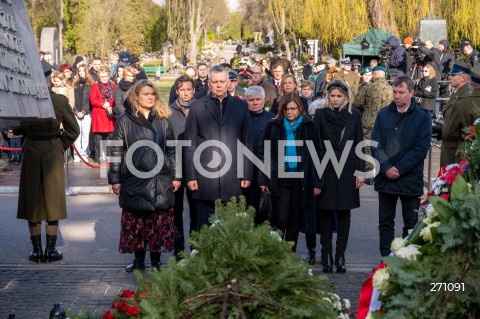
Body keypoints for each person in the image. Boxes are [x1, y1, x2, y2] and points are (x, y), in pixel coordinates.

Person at [109, 80, 180, 272]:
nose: (150, 97)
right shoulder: (125, 120)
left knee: (157, 222)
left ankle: (156, 263)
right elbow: (115, 150)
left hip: (160, 178)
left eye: (153, 94)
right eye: (146, 94)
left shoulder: (163, 119)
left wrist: (177, 176)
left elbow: (173, 150)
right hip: (134, 178)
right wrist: (114, 179)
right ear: (136, 97)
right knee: (137, 222)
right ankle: (138, 261)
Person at [14, 60, 79, 263]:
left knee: (32, 198)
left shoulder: (25, 101)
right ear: (50, 78)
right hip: (52, 149)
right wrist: (60, 145)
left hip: (32, 149)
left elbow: (17, 128)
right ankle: (50, 251)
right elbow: (73, 130)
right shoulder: (59, 101)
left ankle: (36, 250)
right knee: (53, 199)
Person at [183, 65, 253, 230]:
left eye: (222, 81)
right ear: (209, 83)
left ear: (229, 82)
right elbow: (190, 144)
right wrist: (191, 176)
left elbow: (247, 142)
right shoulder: (197, 107)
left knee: (231, 230)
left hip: (233, 176)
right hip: (204, 176)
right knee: (203, 228)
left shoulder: (241, 107)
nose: (219, 85)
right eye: (215, 82)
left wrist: (246, 173)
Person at [371, 76, 431, 257]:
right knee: (385, 222)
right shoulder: (383, 114)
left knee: (411, 223)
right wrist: (386, 167)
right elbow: (375, 143)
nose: (397, 96)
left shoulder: (422, 116)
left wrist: (399, 169)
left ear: (411, 93)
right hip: (386, 177)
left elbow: (421, 148)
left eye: (401, 92)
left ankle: (407, 260)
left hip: (409, 178)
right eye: (394, 92)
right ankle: (385, 259)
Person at [310, 80, 365, 272]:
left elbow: (359, 142)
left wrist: (361, 171)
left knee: (344, 213)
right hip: (326, 169)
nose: (335, 99)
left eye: (339, 96)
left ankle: (340, 256)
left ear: (346, 97)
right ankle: (326, 255)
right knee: (325, 212)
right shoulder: (320, 114)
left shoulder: (354, 115)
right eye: (332, 96)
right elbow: (315, 147)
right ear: (327, 97)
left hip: (348, 170)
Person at [257, 93, 323, 252]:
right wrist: (262, 179)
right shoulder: (273, 126)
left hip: (302, 180)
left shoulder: (310, 126)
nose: (290, 112)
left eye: (293, 108)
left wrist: (317, 182)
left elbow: (318, 156)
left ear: (300, 108)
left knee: (295, 219)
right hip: (279, 178)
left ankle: (289, 256)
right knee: (280, 218)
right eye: (286, 109)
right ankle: (278, 253)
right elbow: (263, 153)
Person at [168, 75, 198, 260]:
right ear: (177, 91)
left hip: (196, 167)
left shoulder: (199, 108)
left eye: (189, 89)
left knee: (196, 211)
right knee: (176, 212)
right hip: (176, 166)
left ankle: (195, 250)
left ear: (193, 90)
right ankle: (178, 251)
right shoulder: (169, 112)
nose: (186, 93)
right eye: (182, 90)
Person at [353, 66, 393, 179]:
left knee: (368, 147)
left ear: (374, 75)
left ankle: (370, 174)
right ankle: (384, 171)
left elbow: (356, 103)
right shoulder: (391, 88)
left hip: (369, 123)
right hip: (387, 123)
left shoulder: (368, 88)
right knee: (384, 147)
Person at [242, 86, 274, 224]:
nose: (255, 103)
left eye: (258, 99)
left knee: (264, 211)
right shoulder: (241, 118)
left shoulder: (272, 119)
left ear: (264, 100)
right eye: (251, 100)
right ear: (245, 100)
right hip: (244, 169)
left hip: (265, 170)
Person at [440, 61, 474, 166]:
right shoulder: (457, 93)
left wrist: (442, 129)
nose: (449, 77)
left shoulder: (466, 95)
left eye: (453, 75)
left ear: (463, 77)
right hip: (450, 149)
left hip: (456, 153)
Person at [90, 66, 117, 163]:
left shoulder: (113, 86)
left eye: (105, 76)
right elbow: (93, 100)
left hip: (109, 114)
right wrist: (103, 104)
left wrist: (110, 104)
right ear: (99, 77)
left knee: (110, 136)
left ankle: (109, 156)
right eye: (102, 76)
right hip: (99, 115)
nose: (104, 78)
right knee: (99, 137)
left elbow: (116, 98)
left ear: (109, 76)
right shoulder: (95, 86)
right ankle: (100, 157)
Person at [71, 62, 95, 163]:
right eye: (79, 71)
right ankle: (77, 154)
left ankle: (84, 153)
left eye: (83, 71)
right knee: (77, 134)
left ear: (86, 72)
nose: (81, 73)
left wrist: (84, 111)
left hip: (87, 113)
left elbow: (91, 100)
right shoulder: (74, 83)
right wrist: (76, 111)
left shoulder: (91, 84)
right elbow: (72, 99)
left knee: (85, 134)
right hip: (76, 112)